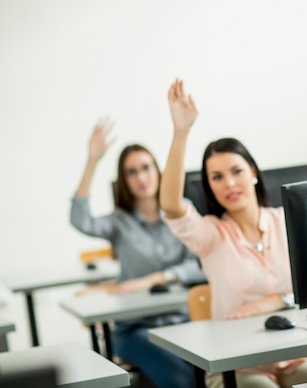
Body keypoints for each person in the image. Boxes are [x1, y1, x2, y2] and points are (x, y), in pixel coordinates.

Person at [159, 79, 307, 388]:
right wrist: (181, 131)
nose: (228, 183)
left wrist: (275, 301)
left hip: (293, 355)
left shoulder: (287, 222)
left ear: (253, 173)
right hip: (236, 366)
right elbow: (171, 205)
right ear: (209, 186)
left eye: (236, 171)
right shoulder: (210, 234)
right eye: (217, 177)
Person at [70, 118, 207, 388]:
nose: (141, 177)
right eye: (132, 172)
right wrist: (92, 160)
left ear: (158, 170)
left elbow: (202, 264)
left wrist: (158, 278)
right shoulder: (119, 222)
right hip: (136, 329)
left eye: (146, 168)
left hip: (184, 320)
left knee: (216, 373)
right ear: (124, 180)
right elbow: (79, 219)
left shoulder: (181, 211)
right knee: (184, 381)